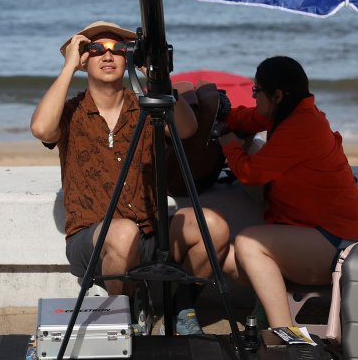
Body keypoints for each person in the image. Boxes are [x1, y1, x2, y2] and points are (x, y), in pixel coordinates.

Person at [30, 21, 222, 335]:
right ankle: (126, 311)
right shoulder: (71, 111)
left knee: (213, 226)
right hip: (93, 240)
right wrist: (67, 68)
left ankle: (180, 305)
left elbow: (186, 129)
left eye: (119, 50)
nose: (108, 56)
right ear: (84, 60)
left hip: (150, 231)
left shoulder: (146, 108)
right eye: (96, 50)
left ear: (129, 58)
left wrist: (157, 75)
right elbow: (41, 129)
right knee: (121, 232)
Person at [216, 56, 358, 330]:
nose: (254, 97)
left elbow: (252, 173)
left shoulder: (302, 125)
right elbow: (252, 118)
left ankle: (284, 336)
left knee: (249, 243)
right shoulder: (286, 112)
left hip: (338, 243)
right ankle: (271, 307)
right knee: (227, 260)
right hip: (310, 234)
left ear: (276, 95)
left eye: (256, 92)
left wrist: (229, 144)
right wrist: (223, 115)